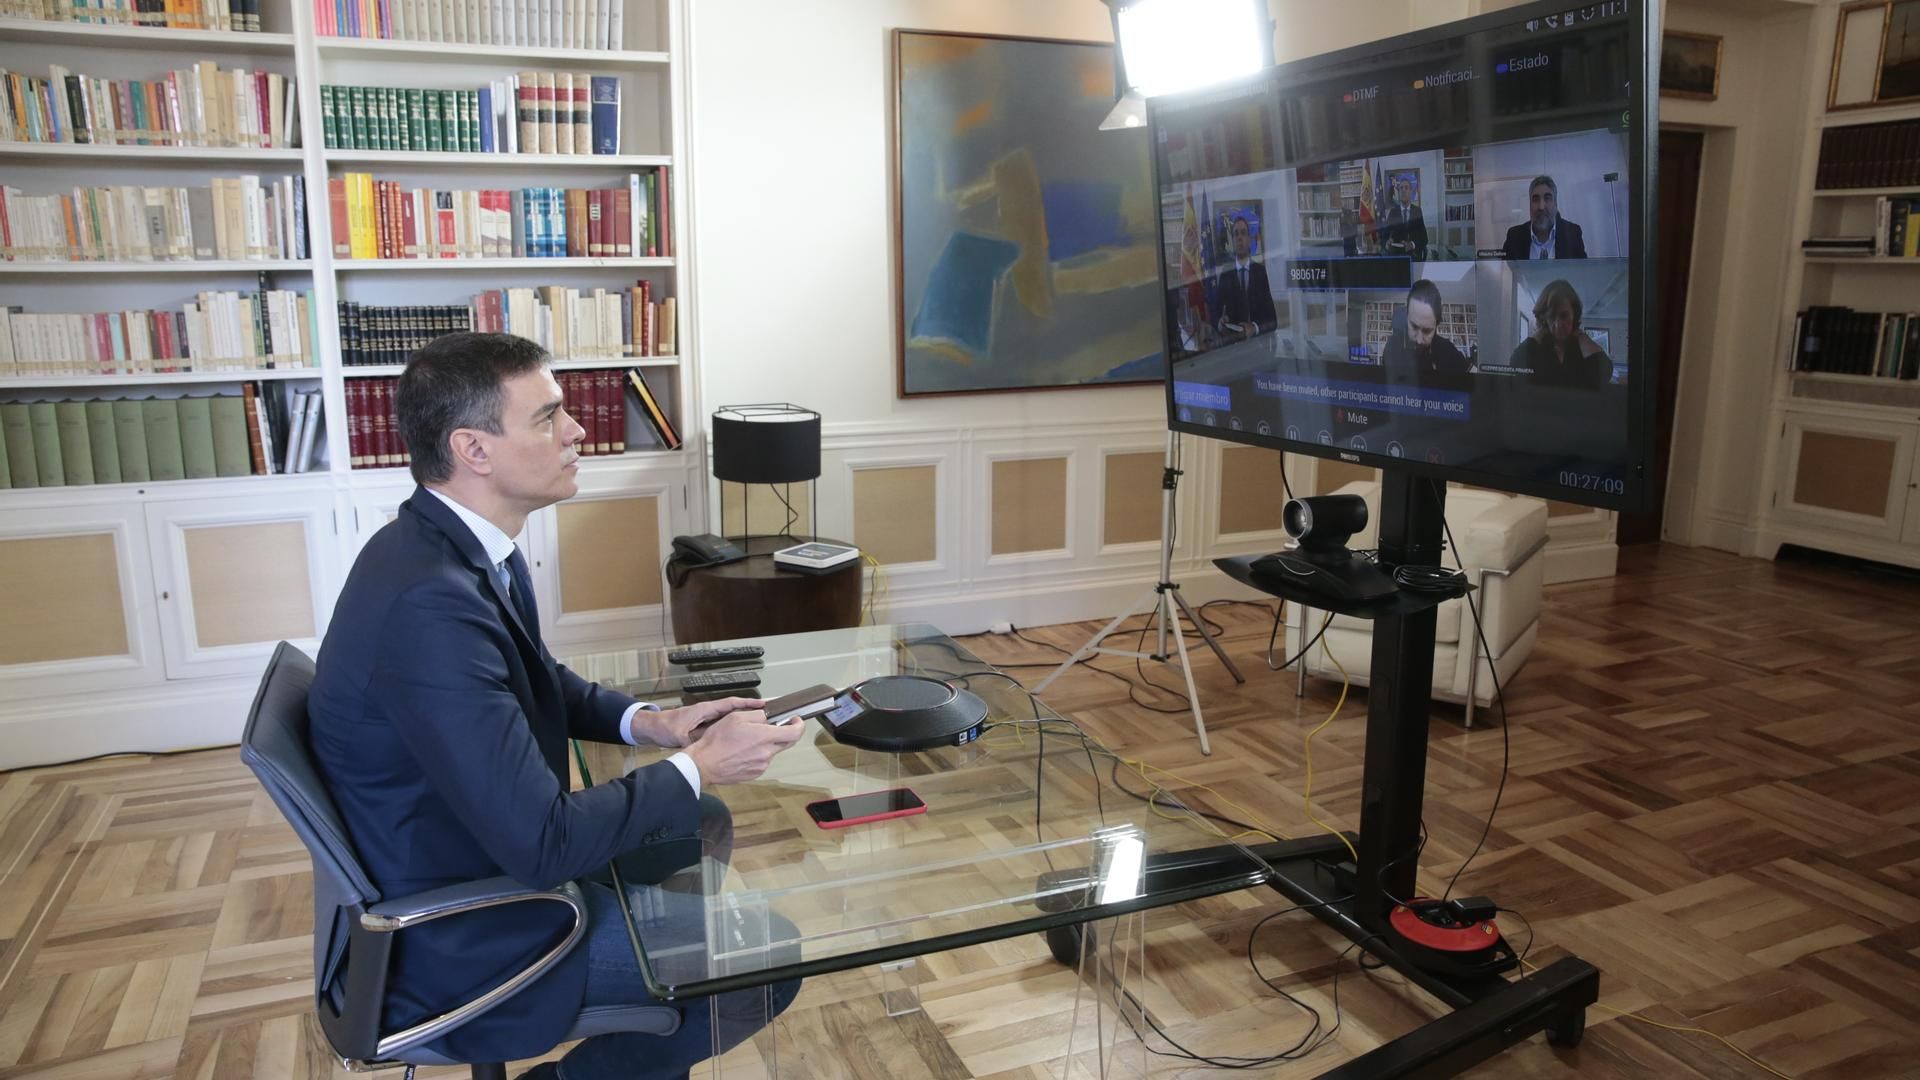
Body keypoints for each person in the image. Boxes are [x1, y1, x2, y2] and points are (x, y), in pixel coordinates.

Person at [307, 332, 806, 1079]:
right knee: (765, 959)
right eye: (548, 417)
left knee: (698, 820)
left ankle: (660, 987)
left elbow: (536, 676)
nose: (577, 431)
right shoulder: (428, 606)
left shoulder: (450, 550)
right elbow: (542, 845)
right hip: (468, 933)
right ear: (474, 449)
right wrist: (696, 764)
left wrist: (652, 725)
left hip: (471, 856)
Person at [1508, 279, 1612, 388]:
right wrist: (1541, 331)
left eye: (1564, 316)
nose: (1558, 324)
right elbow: (1515, 366)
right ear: (1545, 320)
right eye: (1552, 317)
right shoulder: (1536, 349)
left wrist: (1580, 335)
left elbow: (1604, 374)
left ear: (1574, 315)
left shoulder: (1583, 348)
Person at [1382, 279, 1473, 393]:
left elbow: (1476, 383)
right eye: (1414, 326)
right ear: (1407, 317)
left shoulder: (1447, 350)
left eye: (1427, 331)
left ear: (1436, 325)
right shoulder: (1392, 346)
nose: (1419, 340)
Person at [1212, 215, 1277, 339]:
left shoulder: (1260, 272)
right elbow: (1216, 313)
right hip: (1232, 345)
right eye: (1236, 234)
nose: (1239, 238)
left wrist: (1254, 328)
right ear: (1232, 240)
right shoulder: (1226, 273)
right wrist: (1219, 322)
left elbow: (1272, 320)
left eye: (1243, 233)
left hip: (1256, 346)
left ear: (1249, 240)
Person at [1501, 175, 1587, 261]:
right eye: (1535, 200)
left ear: (1556, 204)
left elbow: (1582, 272)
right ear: (1529, 205)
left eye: (1547, 198)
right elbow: (1504, 272)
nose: (1541, 207)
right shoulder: (1514, 236)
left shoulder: (1572, 233)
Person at [1379, 178, 1429, 258]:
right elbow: (1384, 235)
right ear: (1398, 192)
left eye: (1406, 188)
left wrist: (1412, 244)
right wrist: (1386, 242)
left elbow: (1424, 238)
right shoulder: (1393, 212)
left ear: (1411, 191)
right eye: (1401, 188)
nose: (1403, 190)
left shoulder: (1417, 211)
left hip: (1414, 255)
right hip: (1397, 257)